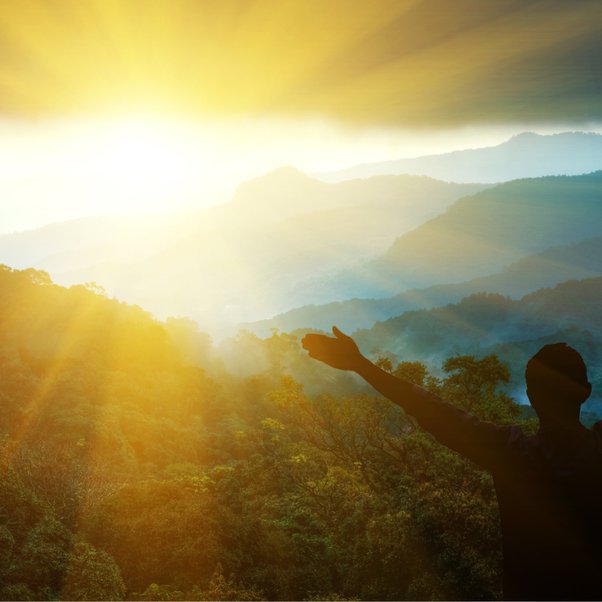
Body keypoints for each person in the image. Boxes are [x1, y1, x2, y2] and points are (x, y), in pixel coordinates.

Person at [302, 327, 602, 601]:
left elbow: (436, 412)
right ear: (585, 392)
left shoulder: (511, 454)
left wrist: (361, 365)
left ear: (531, 396)